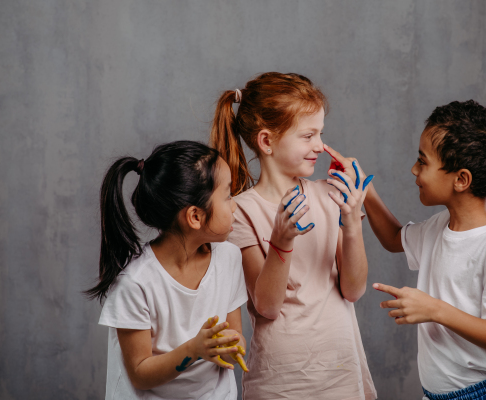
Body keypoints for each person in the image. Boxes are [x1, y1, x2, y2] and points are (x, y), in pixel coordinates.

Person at [328, 100, 486, 400]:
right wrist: (365, 189)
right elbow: (394, 238)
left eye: (423, 162)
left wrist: (435, 310)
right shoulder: (440, 226)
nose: (414, 169)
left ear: (461, 179)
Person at [210, 72, 377, 400]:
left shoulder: (332, 195)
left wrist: (351, 223)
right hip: (281, 384)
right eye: (308, 135)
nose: (320, 145)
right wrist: (282, 241)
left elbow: (354, 289)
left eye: (321, 134)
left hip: (342, 376)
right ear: (267, 141)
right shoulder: (241, 211)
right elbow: (268, 306)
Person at [85, 141, 249, 400]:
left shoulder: (229, 258)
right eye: (227, 196)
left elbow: (235, 337)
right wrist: (194, 349)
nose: (234, 205)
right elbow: (140, 372)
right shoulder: (135, 283)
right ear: (195, 216)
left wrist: (231, 345)